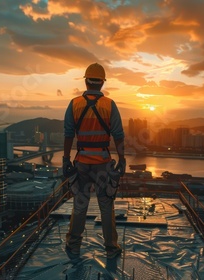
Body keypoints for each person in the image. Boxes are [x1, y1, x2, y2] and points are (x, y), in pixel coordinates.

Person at [63, 62, 126, 259]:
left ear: (86, 80)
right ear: (102, 84)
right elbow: (118, 135)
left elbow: (68, 134)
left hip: (82, 162)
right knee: (106, 206)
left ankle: (73, 246)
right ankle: (111, 248)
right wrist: (122, 158)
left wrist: (66, 159)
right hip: (103, 163)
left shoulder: (74, 104)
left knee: (80, 205)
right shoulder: (110, 105)